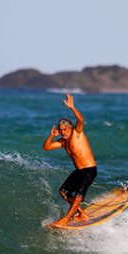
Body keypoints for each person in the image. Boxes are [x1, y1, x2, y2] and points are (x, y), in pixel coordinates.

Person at [42, 93, 97, 227]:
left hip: (89, 169)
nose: (63, 132)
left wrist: (72, 107)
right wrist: (51, 136)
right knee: (63, 192)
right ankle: (81, 213)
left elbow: (81, 119)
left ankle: (66, 218)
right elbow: (46, 147)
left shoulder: (76, 133)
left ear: (70, 127)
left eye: (64, 129)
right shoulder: (63, 141)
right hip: (79, 171)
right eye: (60, 130)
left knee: (78, 195)